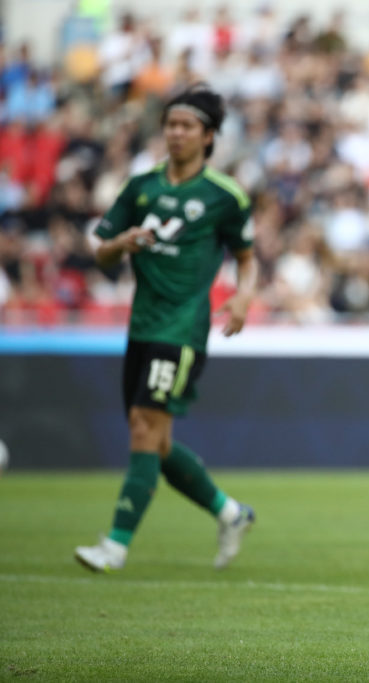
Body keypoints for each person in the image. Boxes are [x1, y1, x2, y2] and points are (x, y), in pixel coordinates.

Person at [74, 84, 257, 572]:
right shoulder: (142, 187)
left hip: (183, 329)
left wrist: (241, 296)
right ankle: (230, 512)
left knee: (143, 429)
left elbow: (246, 257)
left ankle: (114, 546)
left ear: (209, 136)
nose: (175, 133)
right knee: (154, 441)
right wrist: (124, 243)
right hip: (142, 325)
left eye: (187, 126)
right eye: (171, 124)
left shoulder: (224, 195)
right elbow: (101, 249)